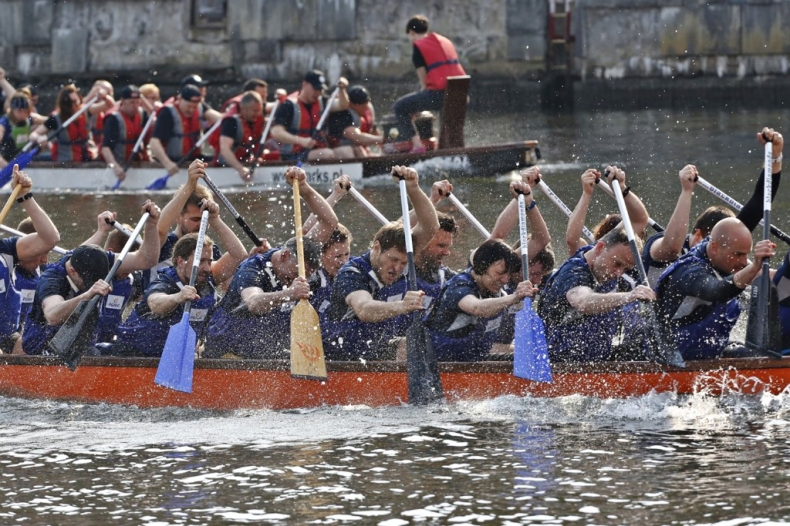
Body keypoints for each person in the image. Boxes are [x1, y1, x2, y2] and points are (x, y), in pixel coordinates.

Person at [203, 166, 339, 359]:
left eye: (304, 275)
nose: (298, 278)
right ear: (283, 256)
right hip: (227, 343)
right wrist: (289, 293)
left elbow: (329, 222)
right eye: (295, 273)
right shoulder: (252, 269)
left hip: (263, 343)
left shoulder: (301, 252)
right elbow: (253, 303)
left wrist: (304, 188)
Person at [325, 165, 439, 360]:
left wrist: (414, 188)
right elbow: (364, 309)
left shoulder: (405, 262)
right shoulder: (352, 273)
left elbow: (431, 227)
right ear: (376, 247)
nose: (397, 268)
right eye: (393, 259)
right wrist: (403, 306)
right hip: (341, 356)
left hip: (378, 349)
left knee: (414, 343)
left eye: (403, 262)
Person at [20, 200, 162, 355]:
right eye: (86, 282)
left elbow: (146, 260)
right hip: (42, 349)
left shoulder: (98, 258)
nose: (90, 286)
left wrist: (152, 225)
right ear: (72, 271)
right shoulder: (52, 279)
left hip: (82, 347)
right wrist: (87, 295)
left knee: (130, 351)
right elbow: (52, 315)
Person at [656, 217, 776, 360]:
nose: (744, 262)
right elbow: (717, 291)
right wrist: (755, 265)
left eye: (747, 254)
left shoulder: (721, 247)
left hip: (706, 350)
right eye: (738, 254)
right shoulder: (690, 273)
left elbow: (745, 219)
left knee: (765, 352)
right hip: (672, 358)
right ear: (714, 247)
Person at [537, 227, 656, 362]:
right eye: (617, 264)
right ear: (599, 248)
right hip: (559, 363)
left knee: (647, 350)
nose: (619, 273)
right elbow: (583, 302)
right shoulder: (573, 273)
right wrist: (629, 296)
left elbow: (639, 218)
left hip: (595, 359)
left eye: (625, 269)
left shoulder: (602, 259)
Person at [424, 240, 536, 361]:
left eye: (508, 275)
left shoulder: (498, 293)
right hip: (438, 362)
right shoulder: (459, 287)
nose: (505, 280)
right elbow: (477, 308)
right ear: (483, 266)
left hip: (474, 362)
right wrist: (515, 297)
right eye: (499, 273)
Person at [113, 232, 218, 357]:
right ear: (180, 261)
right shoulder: (164, 282)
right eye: (200, 261)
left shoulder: (205, 285)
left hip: (170, 359)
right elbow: (154, 303)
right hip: (131, 356)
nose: (207, 268)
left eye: (209, 262)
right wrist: (177, 297)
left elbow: (238, 256)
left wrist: (215, 219)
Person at [150, 160, 248, 291]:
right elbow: (159, 230)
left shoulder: (210, 251)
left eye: (205, 219)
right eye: (195, 219)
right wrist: (189, 186)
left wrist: (215, 219)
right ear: (178, 217)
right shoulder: (162, 245)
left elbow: (239, 257)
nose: (201, 224)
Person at [0, 167, 60, 352]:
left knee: (33, 349)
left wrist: (25, 196)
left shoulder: (6, 250)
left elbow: (50, 239)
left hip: (7, 337)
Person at [392, 14, 466, 154]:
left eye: (409, 36)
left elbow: (424, 85)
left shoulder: (418, 46)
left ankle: (417, 145)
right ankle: (453, 150)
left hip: (440, 96)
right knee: (444, 117)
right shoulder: (445, 41)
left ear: (412, 33)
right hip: (460, 94)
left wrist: (415, 107)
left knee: (400, 107)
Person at [269, 70, 349, 162]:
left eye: (320, 89)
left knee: (347, 152)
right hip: (294, 155)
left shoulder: (322, 101)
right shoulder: (288, 105)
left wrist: (342, 89)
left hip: (319, 151)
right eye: (315, 89)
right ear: (304, 84)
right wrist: (301, 141)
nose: (318, 93)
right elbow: (276, 132)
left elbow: (343, 105)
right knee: (327, 154)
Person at [30, 84, 96, 162]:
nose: (74, 106)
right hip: (65, 160)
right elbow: (33, 135)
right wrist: (39, 138)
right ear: (64, 105)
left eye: (76, 102)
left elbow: (108, 106)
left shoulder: (85, 111)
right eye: (70, 103)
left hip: (86, 157)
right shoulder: (55, 119)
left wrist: (105, 96)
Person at [148, 84, 204, 176]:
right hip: (172, 161)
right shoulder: (167, 113)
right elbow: (154, 142)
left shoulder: (200, 108)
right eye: (189, 106)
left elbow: (219, 118)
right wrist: (167, 163)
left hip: (193, 160)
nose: (191, 110)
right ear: (180, 99)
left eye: (194, 107)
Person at [101, 85, 150, 183]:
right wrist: (116, 167)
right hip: (117, 162)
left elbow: (155, 120)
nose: (135, 106)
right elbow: (105, 148)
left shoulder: (142, 114)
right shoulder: (113, 118)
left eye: (137, 102)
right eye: (132, 102)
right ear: (122, 101)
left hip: (134, 161)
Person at [216, 90, 265, 182]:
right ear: (243, 108)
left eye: (259, 110)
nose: (258, 114)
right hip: (226, 164)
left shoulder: (253, 118)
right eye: (254, 111)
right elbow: (224, 149)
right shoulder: (231, 121)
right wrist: (240, 169)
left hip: (245, 160)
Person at [327, 85, 384, 158]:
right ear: (352, 104)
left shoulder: (367, 111)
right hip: (339, 150)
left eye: (366, 104)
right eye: (363, 105)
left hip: (359, 150)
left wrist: (387, 146)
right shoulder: (342, 114)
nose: (366, 108)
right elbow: (357, 138)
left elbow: (374, 132)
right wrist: (383, 139)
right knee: (353, 150)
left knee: (363, 151)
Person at [0, 91, 46, 168]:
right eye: (19, 111)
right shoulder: (3, 124)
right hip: (7, 161)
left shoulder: (31, 118)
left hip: (25, 159)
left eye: (25, 111)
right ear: (12, 110)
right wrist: (7, 167)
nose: (23, 114)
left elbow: (51, 121)